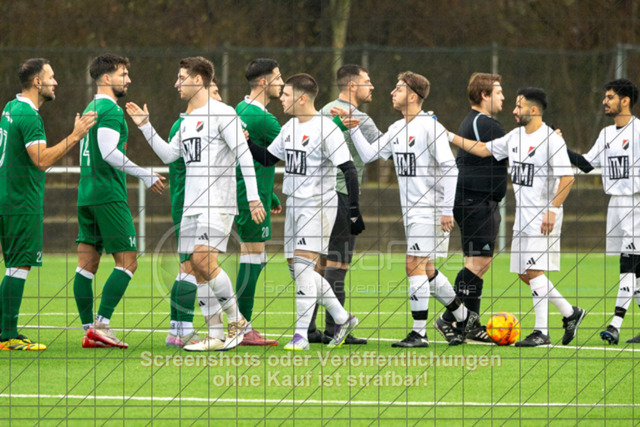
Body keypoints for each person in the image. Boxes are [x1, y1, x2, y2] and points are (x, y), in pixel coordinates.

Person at [126, 56, 266, 351]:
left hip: (218, 201)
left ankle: (237, 321)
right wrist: (146, 127)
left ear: (199, 80)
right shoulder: (187, 121)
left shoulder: (223, 113)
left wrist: (253, 197)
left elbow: (244, 155)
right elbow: (169, 155)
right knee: (198, 268)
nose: (176, 83)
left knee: (203, 260)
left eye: (182, 78)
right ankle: (215, 334)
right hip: (192, 203)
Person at [347, 71, 478, 348]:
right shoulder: (397, 128)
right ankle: (465, 317)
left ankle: (419, 333)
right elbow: (370, 154)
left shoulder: (430, 127)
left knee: (413, 265)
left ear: (414, 96)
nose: (392, 92)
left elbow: (450, 169)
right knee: (427, 269)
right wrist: (353, 128)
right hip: (413, 212)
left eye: (399, 88)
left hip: (429, 210)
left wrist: (446, 210)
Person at [447, 87, 586, 347]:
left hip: (543, 218)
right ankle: (570, 313)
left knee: (533, 270)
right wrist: (448, 135)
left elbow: (567, 178)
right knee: (524, 273)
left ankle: (541, 332)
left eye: (518, 106)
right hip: (523, 218)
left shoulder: (551, 140)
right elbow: (483, 149)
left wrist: (553, 209)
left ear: (533, 110)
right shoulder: (515, 136)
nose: (513, 110)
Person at [247, 73, 362, 351]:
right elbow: (267, 158)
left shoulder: (326, 129)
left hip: (318, 205)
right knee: (297, 270)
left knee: (302, 268)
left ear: (301, 98)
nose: (281, 98)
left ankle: (300, 336)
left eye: (286, 94)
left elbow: (349, 170)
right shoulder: (289, 127)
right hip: (295, 205)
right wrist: (246, 142)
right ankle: (342, 318)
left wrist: (354, 211)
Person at [0, 58, 96, 351]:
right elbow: (41, 160)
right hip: (21, 201)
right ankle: (7, 335)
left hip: (8, 195)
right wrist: (75, 136)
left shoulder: (10, 108)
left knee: (14, 265)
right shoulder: (30, 116)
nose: (55, 82)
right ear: (37, 82)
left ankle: (5, 330)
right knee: (19, 265)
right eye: (51, 77)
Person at [73, 54, 165, 349]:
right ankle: (101, 326)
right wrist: (145, 174)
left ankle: (89, 330)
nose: (129, 80)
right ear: (105, 78)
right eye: (123, 74)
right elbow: (109, 153)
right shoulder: (110, 110)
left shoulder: (91, 108)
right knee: (128, 262)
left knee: (86, 265)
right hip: (107, 195)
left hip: (86, 193)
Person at [306, 64, 378, 346]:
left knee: (317, 265)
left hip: (317, 197)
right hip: (341, 195)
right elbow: (382, 150)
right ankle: (335, 328)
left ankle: (309, 328)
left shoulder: (322, 111)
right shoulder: (360, 118)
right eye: (367, 81)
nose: (372, 86)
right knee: (338, 264)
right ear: (352, 86)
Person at [435, 73, 507, 344]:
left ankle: (469, 324)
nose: (503, 97)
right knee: (479, 263)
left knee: (475, 263)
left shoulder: (476, 121)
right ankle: (449, 318)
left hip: (474, 201)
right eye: (498, 92)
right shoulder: (484, 123)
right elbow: (493, 150)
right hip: (475, 202)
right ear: (484, 95)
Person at [567, 79, 640, 345]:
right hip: (616, 205)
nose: (604, 102)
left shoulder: (639, 131)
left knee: (628, 265)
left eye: (610, 97)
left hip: (636, 203)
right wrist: (558, 146)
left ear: (625, 101)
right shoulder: (607, 134)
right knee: (635, 270)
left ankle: (615, 325)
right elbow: (586, 164)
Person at [164, 74, 224, 349]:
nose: (219, 98)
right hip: (190, 201)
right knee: (190, 266)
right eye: (215, 92)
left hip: (191, 199)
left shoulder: (197, 122)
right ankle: (182, 330)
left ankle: (180, 329)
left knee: (191, 266)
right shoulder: (186, 124)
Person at [234, 58, 283, 346]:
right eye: (278, 77)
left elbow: (255, 157)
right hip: (248, 197)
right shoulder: (263, 119)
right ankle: (242, 326)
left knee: (255, 257)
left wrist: (269, 192)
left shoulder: (242, 109)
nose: (282, 83)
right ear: (264, 82)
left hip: (251, 192)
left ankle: (240, 323)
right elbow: (296, 146)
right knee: (252, 257)